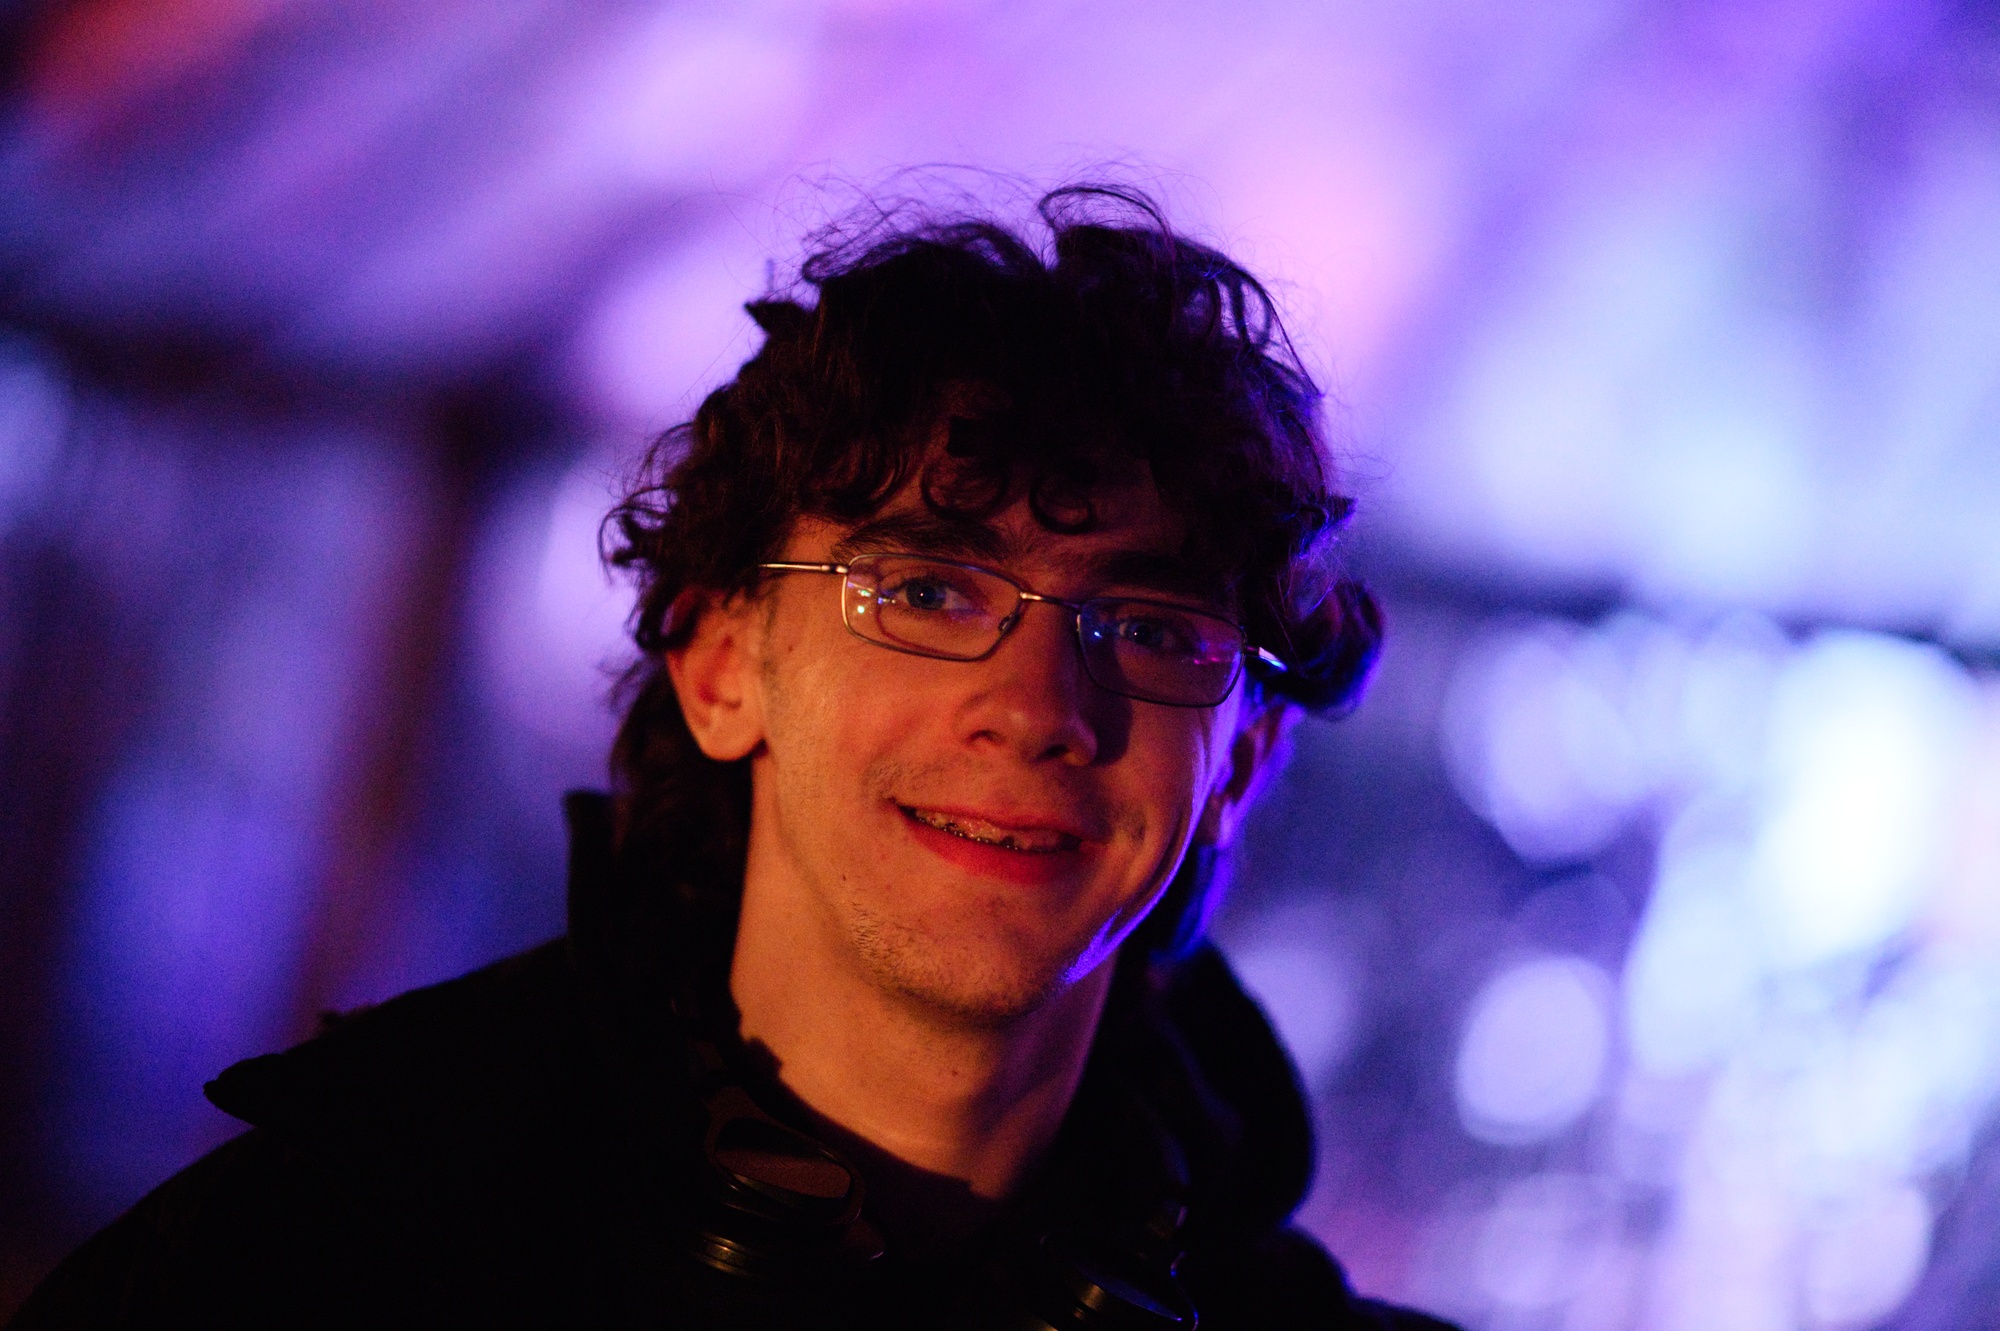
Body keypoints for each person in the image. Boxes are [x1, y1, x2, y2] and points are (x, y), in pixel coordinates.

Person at [11, 186, 1457, 1329]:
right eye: (929, 592)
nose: (1035, 708)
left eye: (1146, 628)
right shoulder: (297, 1268)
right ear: (718, 668)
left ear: (1242, 761)